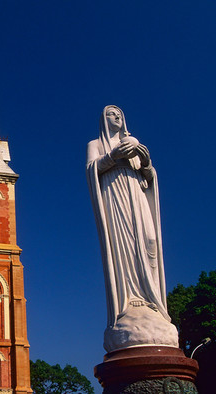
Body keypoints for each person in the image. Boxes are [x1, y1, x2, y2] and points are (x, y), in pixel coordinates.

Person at [86, 106, 172, 350]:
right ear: (104, 119)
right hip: (115, 193)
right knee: (123, 245)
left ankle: (150, 298)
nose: (117, 117)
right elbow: (92, 169)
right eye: (112, 114)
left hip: (135, 191)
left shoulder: (133, 142)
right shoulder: (96, 143)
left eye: (120, 114)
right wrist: (113, 156)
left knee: (149, 241)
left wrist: (145, 161)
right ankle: (130, 300)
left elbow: (148, 176)